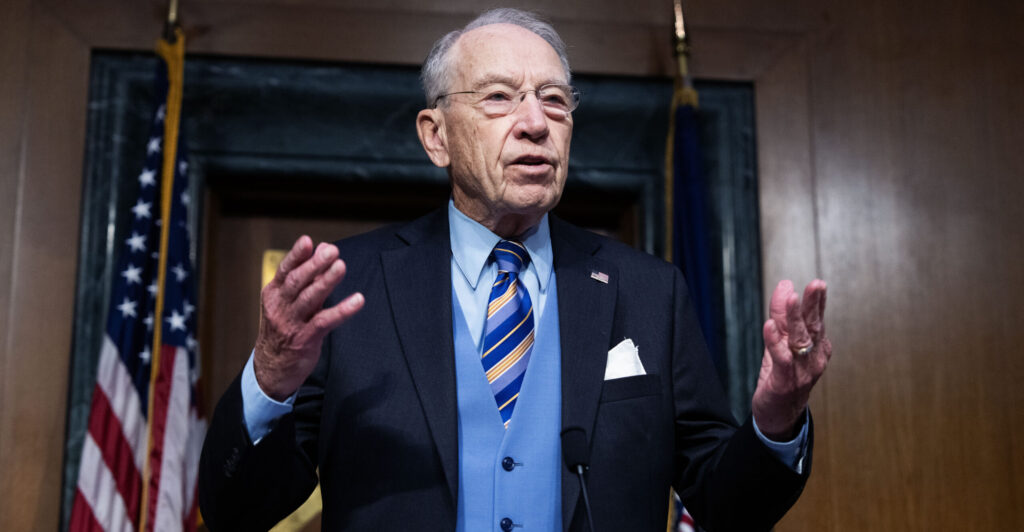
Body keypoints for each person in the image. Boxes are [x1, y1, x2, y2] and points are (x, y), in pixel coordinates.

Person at [199, 8, 832, 531]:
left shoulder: (648, 291)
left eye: (555, 102)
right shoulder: (352, 287)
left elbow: (725, 508)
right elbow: (237, 510)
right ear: (436, 136)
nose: (535, 124)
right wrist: (271, 381)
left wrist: (776, 420)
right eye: (500, 98)